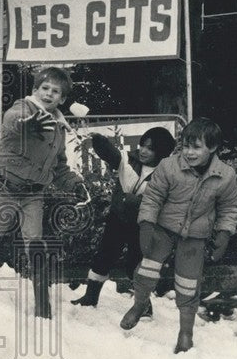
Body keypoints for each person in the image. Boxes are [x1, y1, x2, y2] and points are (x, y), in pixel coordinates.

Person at [119, 117, 237, 353]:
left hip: (195, 236)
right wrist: (146, 224)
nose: (189, 152)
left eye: (196, 147)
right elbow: (153, 197)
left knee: (188, 283)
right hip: (163, 229)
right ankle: (141, 304)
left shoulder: (224, 175)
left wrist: (224, 233)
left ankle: (186, 332)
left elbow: (229, 207)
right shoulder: (168, 166)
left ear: (212, 148)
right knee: (145, 271)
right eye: (185, 145)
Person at [0, 66, 88, 318]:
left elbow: (59, 166)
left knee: (35, 244)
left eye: (55, 91)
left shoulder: (59, 130)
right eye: (44, 88)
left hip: (33, 195)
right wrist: (28, 123)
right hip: (5, 188)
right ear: (35, 90)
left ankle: (43, 305)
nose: (49, 94)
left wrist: (73, 183)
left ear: (62, 99)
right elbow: (11, 121)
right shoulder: (24, 108)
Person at [71, 126, 176, 307]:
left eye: (150, 148)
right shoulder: (127, 160)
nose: (143, 150)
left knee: (135, 265)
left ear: (162, 152)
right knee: (104, 256)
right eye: (142, 145)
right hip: (117, 219)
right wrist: (98, 139)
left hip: (143, 226)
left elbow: (163, 202)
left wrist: (137, 202)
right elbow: (109, 153)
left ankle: (143, 306)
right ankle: (90, 296)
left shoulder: (166, 174)